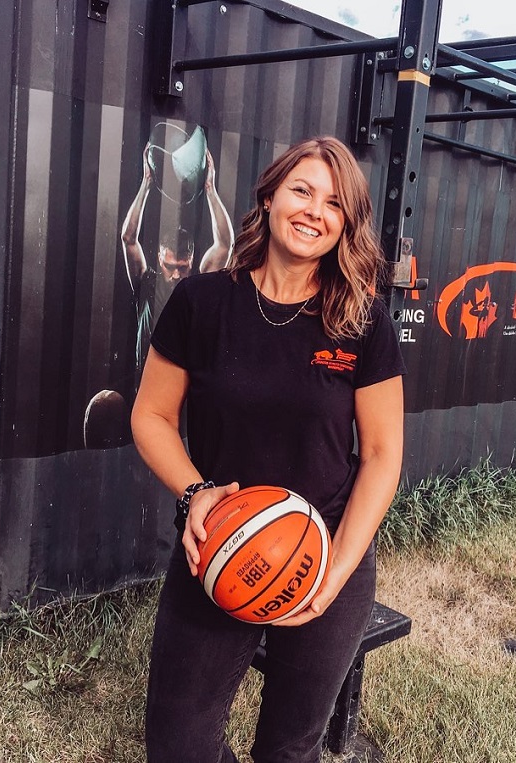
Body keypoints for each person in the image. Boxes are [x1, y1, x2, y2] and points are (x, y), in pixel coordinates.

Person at [131, 135, 405, 763]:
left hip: (324, 550)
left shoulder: (362, 321)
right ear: (270, 197)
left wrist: (333, 576)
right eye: (302, 191)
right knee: (178, 746)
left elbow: (382, 455)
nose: (314, 211)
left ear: (346, 224)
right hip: (219, 546)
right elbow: (151, 415)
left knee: (287, 751)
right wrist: (196, 492)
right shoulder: (201, 302)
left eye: (333, 204)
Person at [121, 144, 235, 378]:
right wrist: (146, 183)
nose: (175, 274)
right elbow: (128, 238)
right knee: (106, 398)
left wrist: (210, 190)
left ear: (191, 261)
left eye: (181, 268)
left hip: (187, 386)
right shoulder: (146, 282)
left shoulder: (200, 286)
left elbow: (225, 244)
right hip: (146, 384)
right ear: (159, 258)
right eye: (170, 267)